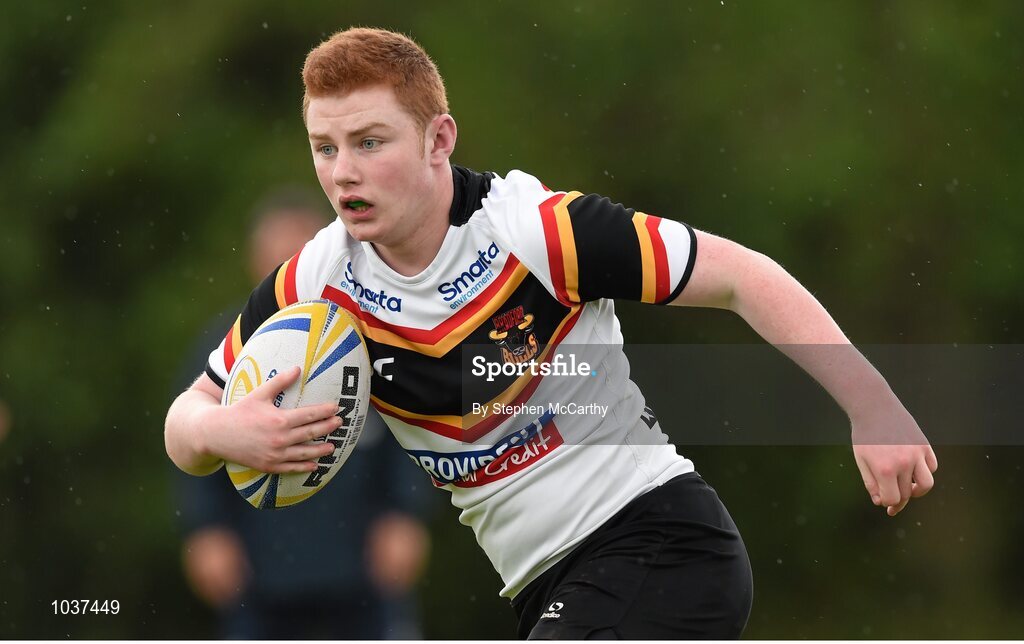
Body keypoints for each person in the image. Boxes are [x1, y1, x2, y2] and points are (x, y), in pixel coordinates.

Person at [165, 27, 938, 639]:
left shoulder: (537, 233)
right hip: (544, 589)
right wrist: (226, 432)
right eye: (324, 149)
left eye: (370, 142)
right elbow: (183, 422)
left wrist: (873, 407)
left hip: (659, 543)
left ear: (439, 140)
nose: (342, 173)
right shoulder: (317, 284)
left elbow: (743, 275)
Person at [173, 191, 432, 639]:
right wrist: (206, 530)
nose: (284, 271)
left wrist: (405, 515)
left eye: (295, 257)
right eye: (274, 257)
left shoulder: (368, 334)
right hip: (259, 580)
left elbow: (411, 428)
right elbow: (195, 442)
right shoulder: (225, 347)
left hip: (365, 574)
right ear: (254, 261)